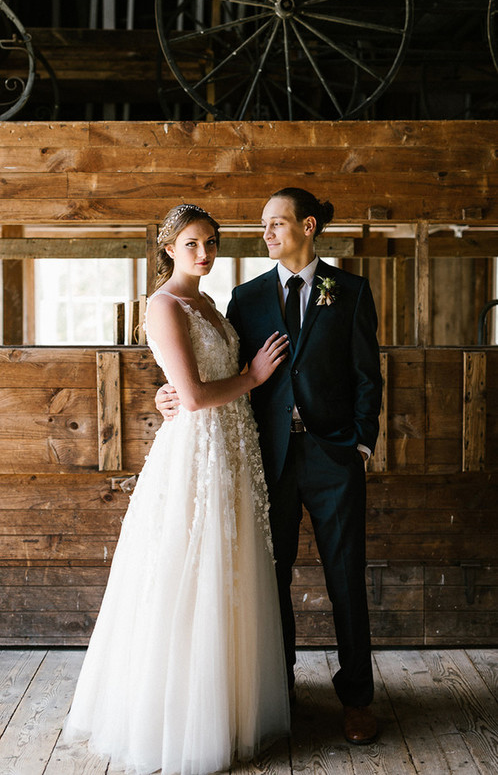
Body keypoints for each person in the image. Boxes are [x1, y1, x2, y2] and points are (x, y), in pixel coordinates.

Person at [63, 203, 291, 775]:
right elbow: (189, 397)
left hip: (233, 448)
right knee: (189, 568)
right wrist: (253, 377)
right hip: (196, 451)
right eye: (192, 244)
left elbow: (190, 385)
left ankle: (231, 707)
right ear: (169, 248)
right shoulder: (163, 304)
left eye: (211, 242)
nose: (205, 253)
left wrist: (236, 387)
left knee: (229, 569)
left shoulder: (212, 303)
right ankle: (179, 719)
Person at [157, 188, 382, 745]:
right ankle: (278, 693)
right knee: (268, 579)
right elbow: (215, 372)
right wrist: (165, 394)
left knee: (346, 580)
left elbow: (366, 376)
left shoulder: (348, 290)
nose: (266, 233)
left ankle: (357, 699)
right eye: (262, 225)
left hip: (333, 458)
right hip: (267, 458)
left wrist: (360, 445)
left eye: (277, 223)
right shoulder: (245, 297)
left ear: (307, 226)